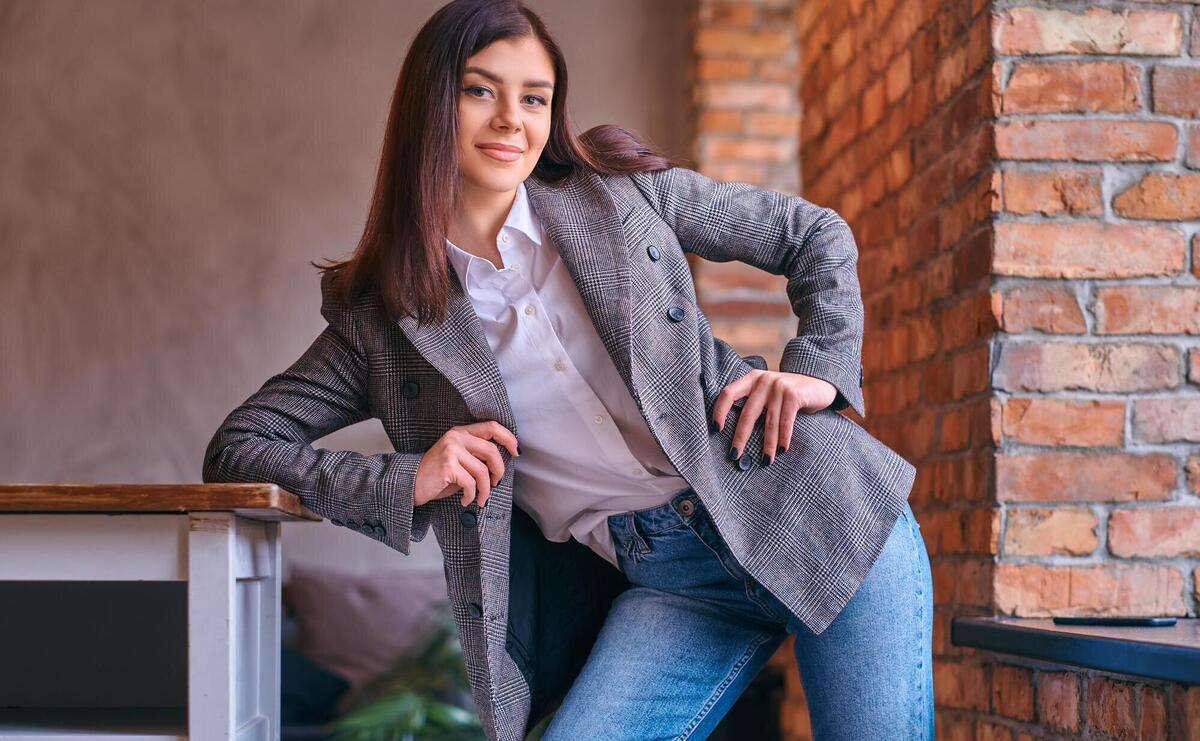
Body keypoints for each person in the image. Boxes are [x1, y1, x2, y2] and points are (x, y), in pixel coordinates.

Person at [202, 1, 934, 739]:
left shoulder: (620, 195)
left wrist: (819, 368)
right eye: (480, 90)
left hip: (811, 510)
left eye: (535, 97)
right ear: (431, 102)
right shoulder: (380, 321)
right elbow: (240, 446)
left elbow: (814, 235)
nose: (511, 119)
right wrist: (410, 476)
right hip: (670, 584)